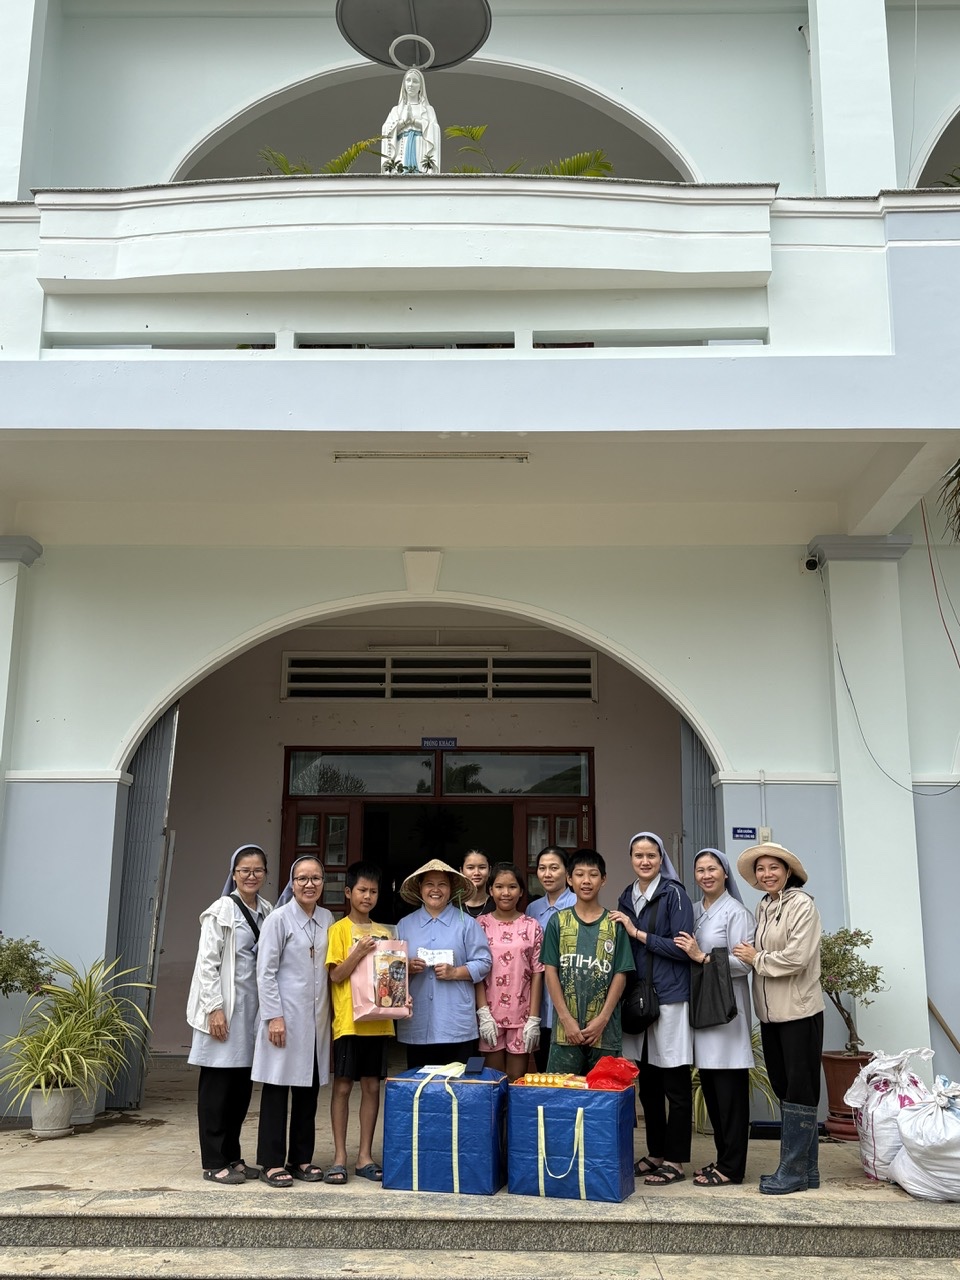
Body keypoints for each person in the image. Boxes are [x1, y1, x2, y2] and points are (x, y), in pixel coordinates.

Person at [733, 842, 824, 1196]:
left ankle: (793, 1171)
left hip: (799, 1011)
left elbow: (797, 958)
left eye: (774, 867)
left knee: (800, 1088)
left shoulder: (802, 905)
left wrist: (756, 958)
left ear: (788, 872)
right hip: (770, 1015)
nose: (766, 874)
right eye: (761, 869)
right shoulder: (764, 906)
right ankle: (806, 1171)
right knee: (785, 1087)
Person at [610, 831, 694, 1187]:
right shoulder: (625, 895)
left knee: (675, 1082)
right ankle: (656, 1153)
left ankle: (675, 1160)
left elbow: (683, 948)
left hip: (670, 997)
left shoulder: (675, 894)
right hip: (638, 1000)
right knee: (648, 1083)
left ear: (661, 859)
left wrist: (638, 933)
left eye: (651, 855)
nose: (645, 861)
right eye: (638, 855)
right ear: (631, 859)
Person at [186, 844, 273, 1185]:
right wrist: (214, 1009)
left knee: (240, 1090)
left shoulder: (267, 910)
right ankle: (213, 1161)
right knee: (217, 1089)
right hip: (224, 1011)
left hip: (251, 1013)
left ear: (265, 874)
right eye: (244, 870)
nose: (251, 876)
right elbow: (206, 964)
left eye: (257, 870)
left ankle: (233, 1156)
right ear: (234, 874)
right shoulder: (221, 911)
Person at [674, 847, 756, 1186]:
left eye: (712, 869)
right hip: (703, 1010)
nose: (706, 875)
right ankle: (723, 1160)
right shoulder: (694, 910)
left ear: (724, 873)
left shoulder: (736, 913)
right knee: (712, 1090)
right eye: (700, 870)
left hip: (727, 1014)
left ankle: (733, 1167)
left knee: (730, 1094)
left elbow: (745, 963)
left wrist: (702, 957)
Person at [251, 854, 333, 1188]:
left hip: (315, 1020)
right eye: (302, 879)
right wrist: (274, 1017)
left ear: (323, 882)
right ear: (292, 883)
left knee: (307, 1091)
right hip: (284, 1018)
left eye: (316, 878)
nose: (309, 884)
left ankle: (300, 1158)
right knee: (276, 1088)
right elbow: (265, 972)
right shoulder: (278, 919)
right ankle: (271, 1162)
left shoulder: (327, 918)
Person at [324, 861, 396, 1185]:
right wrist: (358, 952)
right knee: (342, 1086)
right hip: (349, 1022)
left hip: (378, 1022)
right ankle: (339, 1157)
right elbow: (336, 975)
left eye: (373, 891)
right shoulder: (338, 930)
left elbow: (391, 979)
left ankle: (364, 1156)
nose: (368, 896)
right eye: (362, 890)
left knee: (371, 1086)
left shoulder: (385, 933)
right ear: (348, 892)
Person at [540, 848, 634, 1075]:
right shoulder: (558, 921)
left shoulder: (614, 924)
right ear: (569, 879)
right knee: (563, 1093)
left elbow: (620, 975)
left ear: (604, 879)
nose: (586, 881)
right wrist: (566, 1019)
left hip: (605, 1033)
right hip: (565, 1033)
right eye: (579, 874)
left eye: (593, 874)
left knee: (604, 1093)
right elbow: (550, 972)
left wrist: (603, 1019)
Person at [395, 858, 492, 1068]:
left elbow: (484, 962)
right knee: (421, 1083)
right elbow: (390, 968)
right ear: (420, 888)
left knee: (458, 1082)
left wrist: (455, 972)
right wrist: (407, 967)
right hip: (417, 1022)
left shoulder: (467, 923)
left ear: (451, 889)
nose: (435, 890)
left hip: (456, 1022)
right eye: (429, 884)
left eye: (442, 884)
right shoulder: (404, 925)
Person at [475, 862, 544, 1080]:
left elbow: (537, 973)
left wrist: (534, 1018)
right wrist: (483, 1013)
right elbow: (476, 972)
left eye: (512, 887)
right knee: (494, 1080)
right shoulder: (479, 925)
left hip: (522, 1015)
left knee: (516, 1079)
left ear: (521, 891)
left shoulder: (532, 926)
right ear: (490, 890)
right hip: (490, 1015)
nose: (506, 893)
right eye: (499, 887)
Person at [526, 845, 576, 1071]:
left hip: (571, 1001)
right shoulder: (532, 909)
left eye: (554, 868)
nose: (547, 874)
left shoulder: (578, 904)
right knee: (544, 1070)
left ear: (567, 872)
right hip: (541, 1003)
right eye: (542, 868)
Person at [381, 68, 441, 174]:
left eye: (415, 81)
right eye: (408, 80)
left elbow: (434, 129)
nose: (411, 84)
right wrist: (404, 122)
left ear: (421, 87)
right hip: (402, 147)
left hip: (420, 147)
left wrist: (414, 121)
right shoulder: (396, 110)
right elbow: (386, 130)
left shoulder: (428, 110)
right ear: (404, 84)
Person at [461, 848, 494, 918]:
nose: (476, 873)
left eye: (482, 867)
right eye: (470, 868)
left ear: (490, 871)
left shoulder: (497, 905)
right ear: (461, 871)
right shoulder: (452, 906)